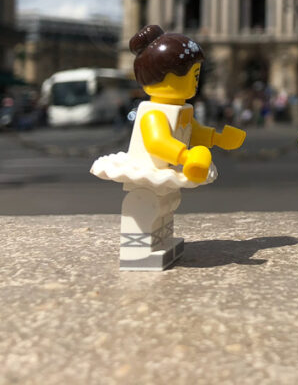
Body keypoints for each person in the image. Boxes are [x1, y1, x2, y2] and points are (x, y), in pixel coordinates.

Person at [90, 24, 246, 270]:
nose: (197, 81)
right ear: (165, 76)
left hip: (165, 170)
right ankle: (137, 249)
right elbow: (157, 142)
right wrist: (186, 155)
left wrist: (218, 138)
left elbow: (194, 131)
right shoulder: (153, 112)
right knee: (145, 205)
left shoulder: (181, 109)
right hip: (148, 171)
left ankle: (161, 240)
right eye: (193, 75)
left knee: (166, 205)